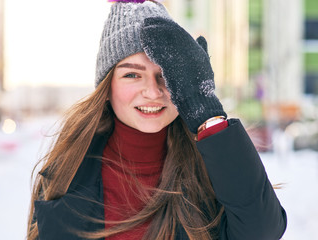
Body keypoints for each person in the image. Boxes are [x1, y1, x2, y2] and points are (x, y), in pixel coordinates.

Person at [27, 1, 287, 239]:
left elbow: (262, 231)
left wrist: (207, 111)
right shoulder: (66, 173)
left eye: (165, 75)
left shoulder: (215, 170)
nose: (152, 92)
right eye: (132, 75)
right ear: (107, 88)